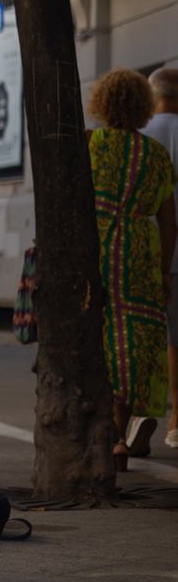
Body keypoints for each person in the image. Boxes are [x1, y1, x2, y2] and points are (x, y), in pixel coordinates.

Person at [89, 69, 176, 468]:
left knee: (102, 335)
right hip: (141, 249)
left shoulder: (91, 144)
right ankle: (124, 429)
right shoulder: (156, 155)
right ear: (144, 106)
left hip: (100, 248)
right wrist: (162, 272)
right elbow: (169, 221)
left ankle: (108, 434)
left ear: (101, 104)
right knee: (135, 338)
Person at [142, 66, 178, 450]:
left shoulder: (140, 138)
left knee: (144, 335)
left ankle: (138, 418)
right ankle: (176, 419)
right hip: (172, 249)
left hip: (144, 251)